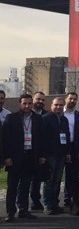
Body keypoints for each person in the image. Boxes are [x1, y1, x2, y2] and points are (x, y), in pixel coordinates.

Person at [3, 94, 46, 222]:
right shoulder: (11, 118)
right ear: (20, 104)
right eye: (24, 103)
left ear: (32, 104)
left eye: (29, 103)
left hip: (30, 156)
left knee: (25, 186)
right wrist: (7, 157)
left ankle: (23, 210)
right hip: (15, 157)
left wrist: (41, 155)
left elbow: (41, 139)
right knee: (12, 186)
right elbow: (5, 139)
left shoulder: (38, 119)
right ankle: (10, 212)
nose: (27, 106)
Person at [42, 97, 71, 215]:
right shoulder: (45, 119)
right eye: (56, 105)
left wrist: (67, 152)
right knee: (49, 180)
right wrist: (43, 155)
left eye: (61, 105)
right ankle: (47, 205)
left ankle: (55, 203)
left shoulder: (64, 119)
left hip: (61, 155)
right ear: (51, 106)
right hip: (50, 155)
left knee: (58, 180)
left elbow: (67, 136)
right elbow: (42, 139)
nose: (58, 107)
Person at [63, 91, 79, 208]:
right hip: (62, 146)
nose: (72, 101)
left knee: (72, 174)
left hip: (75, 147)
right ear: (65, 99)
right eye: (70, 98)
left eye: (74, 99)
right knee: (58, 175)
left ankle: (69, 197)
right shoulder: (60, 113)